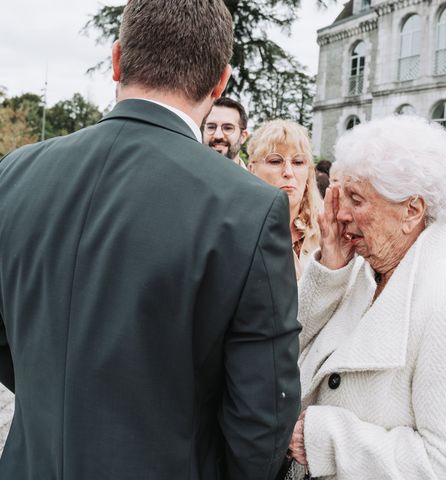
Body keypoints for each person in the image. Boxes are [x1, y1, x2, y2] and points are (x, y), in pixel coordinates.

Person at [0, 1, 301, 479]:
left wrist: (58, 398)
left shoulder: (13, 173)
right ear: (220, 82)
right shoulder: (249, 206)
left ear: (117, 60)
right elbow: (263, 410)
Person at [286, 116, 446, 479]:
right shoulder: (364, 268)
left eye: (356, 199)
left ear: (412, 210)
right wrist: (330, 274)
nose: (338, 213)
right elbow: (294, 348)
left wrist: (327, 439)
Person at [247, 120, 322, 280]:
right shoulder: (237, 231)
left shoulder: (326, 230)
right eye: (275, 161)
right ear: (252, 170)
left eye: (298, 162)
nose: (288, 172)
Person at [203, 96, 249, 169]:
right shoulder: (183, 176)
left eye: (228, 128)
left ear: (243, 136)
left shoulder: (253, 180)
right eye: (211, 127)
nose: (218, 135)